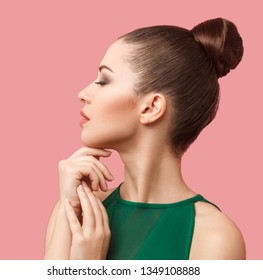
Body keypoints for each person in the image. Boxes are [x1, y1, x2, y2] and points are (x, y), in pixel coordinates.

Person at [44, 17, 245, 260]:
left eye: (103, 81)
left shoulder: (213, 237)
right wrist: (67, 213)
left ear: (150, 108)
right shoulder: (74, 212)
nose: (83, 93)